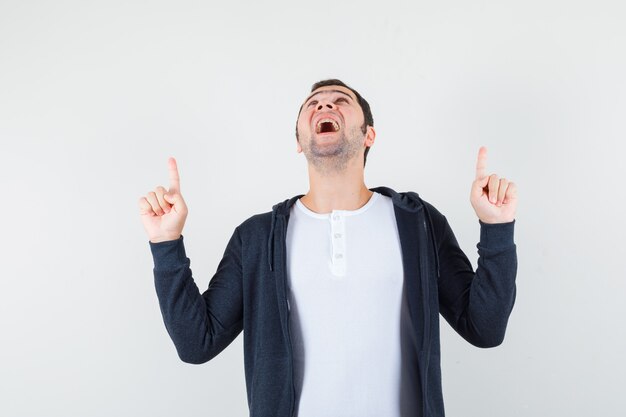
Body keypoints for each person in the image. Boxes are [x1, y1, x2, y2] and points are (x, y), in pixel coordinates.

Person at [138, 79, 518, 417]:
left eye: (340, 101)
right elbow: (196, 343)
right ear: (299, 142)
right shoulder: (256, 238)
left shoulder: (419, 224)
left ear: (369, 135)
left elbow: (484, 328)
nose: (324, 106)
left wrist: (496, 228)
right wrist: (165, 243)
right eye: (313, 104)